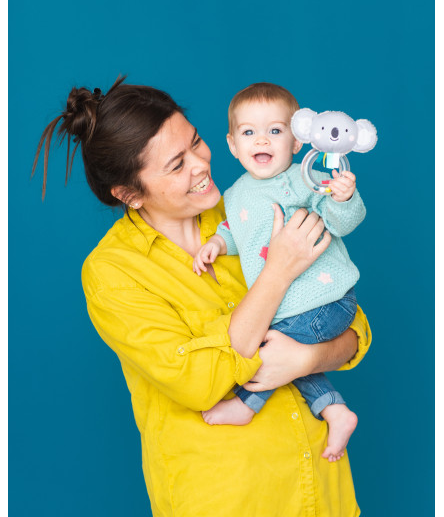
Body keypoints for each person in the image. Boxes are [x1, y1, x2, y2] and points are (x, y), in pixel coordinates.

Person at [33, 76, 372, 517]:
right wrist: (278, 271)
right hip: (228, 499)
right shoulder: (112, 273)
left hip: (321, 486)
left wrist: (308, 359)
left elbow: (353, 327)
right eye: (177, 165)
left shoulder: (245, 205)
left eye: (195, 142)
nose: (200, 164)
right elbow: (199, 382)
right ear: (130, 194)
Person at [193, 82, 365, 462]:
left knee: (266, 347)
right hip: (293, 307)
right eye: (248, 132)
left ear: (298, 140)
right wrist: (218, 243)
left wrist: (343, 198)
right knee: (289, 356)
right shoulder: (235, 193)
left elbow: (341, 222)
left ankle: (246, 403)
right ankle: (335, 410)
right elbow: (239, 229)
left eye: (275, 130)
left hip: (326, 300)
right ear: (232, 145)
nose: (262, 141)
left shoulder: (306, 180)